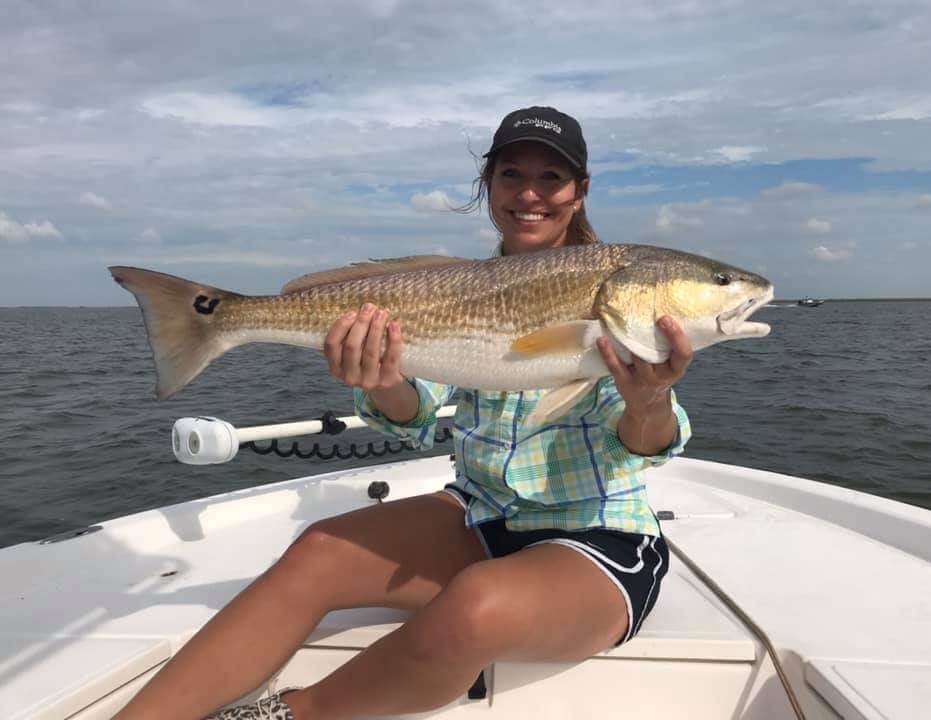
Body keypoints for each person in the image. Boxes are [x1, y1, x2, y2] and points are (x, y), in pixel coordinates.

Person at [114, 106, 693, 720]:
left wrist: (649, 398)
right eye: (511, 175)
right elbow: (417, 417)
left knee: (476, 606)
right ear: (488, 187)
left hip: (597, 539)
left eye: (551, 178)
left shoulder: (624, 293)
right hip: (479, 512)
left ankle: (288, 716)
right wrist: (383, 380)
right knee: (319, 550)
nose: (530, 193)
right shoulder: (457, 284)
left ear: (579, 192)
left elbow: (646, 442)